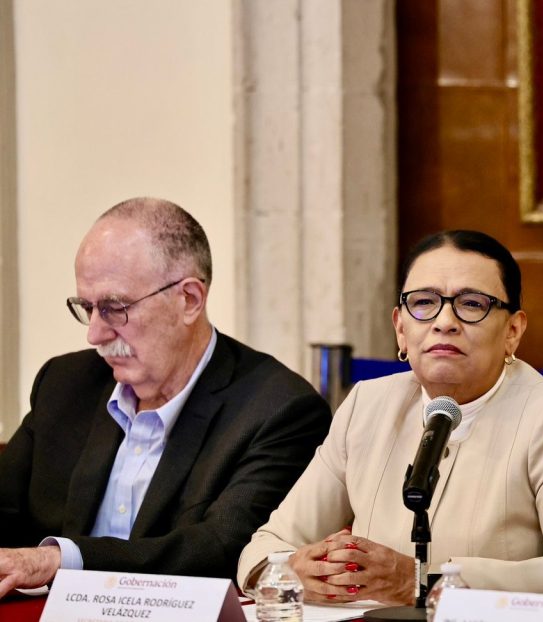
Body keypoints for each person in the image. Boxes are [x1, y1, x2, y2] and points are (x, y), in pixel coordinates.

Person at [237, 230, 543, 604]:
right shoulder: (366, 405)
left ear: (512, 331)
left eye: (472, 304)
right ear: (401, 329)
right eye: (424, 302)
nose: (444, 321)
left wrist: (425, 582)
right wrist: (295, 571)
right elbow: (264, 549)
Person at [0, 197, 332, 598]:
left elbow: (222, 550)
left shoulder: (278, 410)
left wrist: (60, 560)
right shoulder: (65, 383)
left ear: (189, 299)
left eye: (114, 308)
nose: (94, 334)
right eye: (87, 307)